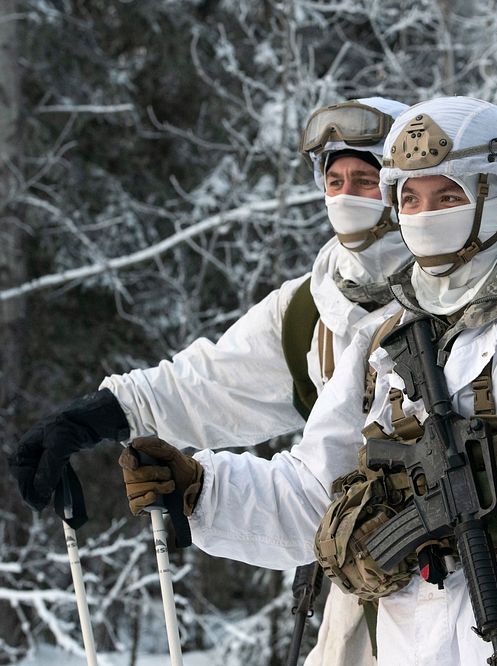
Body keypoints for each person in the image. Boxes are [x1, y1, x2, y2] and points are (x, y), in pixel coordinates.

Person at [111, 95, 497, 665]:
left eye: (448, 194)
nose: (426, 212)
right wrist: (201, 488)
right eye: (410, 196)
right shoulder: (386, 337)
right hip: (417, 634)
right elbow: (315, 492)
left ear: (496, 193)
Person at [9, 96, 410, 666]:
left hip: (490, 603)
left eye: (365, 180)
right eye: (335, 181)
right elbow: (211, 383)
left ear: (401, 187)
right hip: (367, 600)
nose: (346, 197)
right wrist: (93, 416)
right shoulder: (312, 308)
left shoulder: (469, 300)